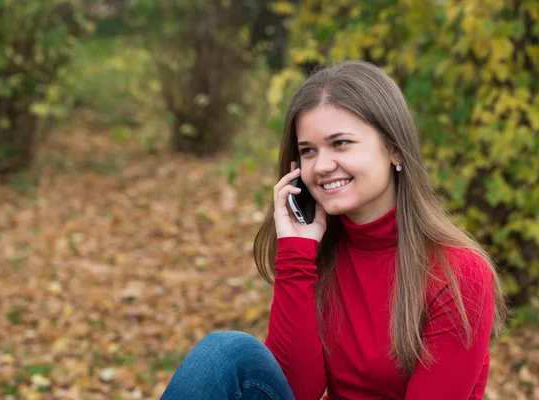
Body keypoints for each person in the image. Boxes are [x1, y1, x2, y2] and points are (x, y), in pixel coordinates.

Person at [161, 60, 506, 400]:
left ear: (395, 149)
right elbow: (296, 392)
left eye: (340, 143)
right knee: (227, 353)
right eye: (308, 151)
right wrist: (296, 253)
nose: (322, 166)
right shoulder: (322, 254)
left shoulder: (458, 272)